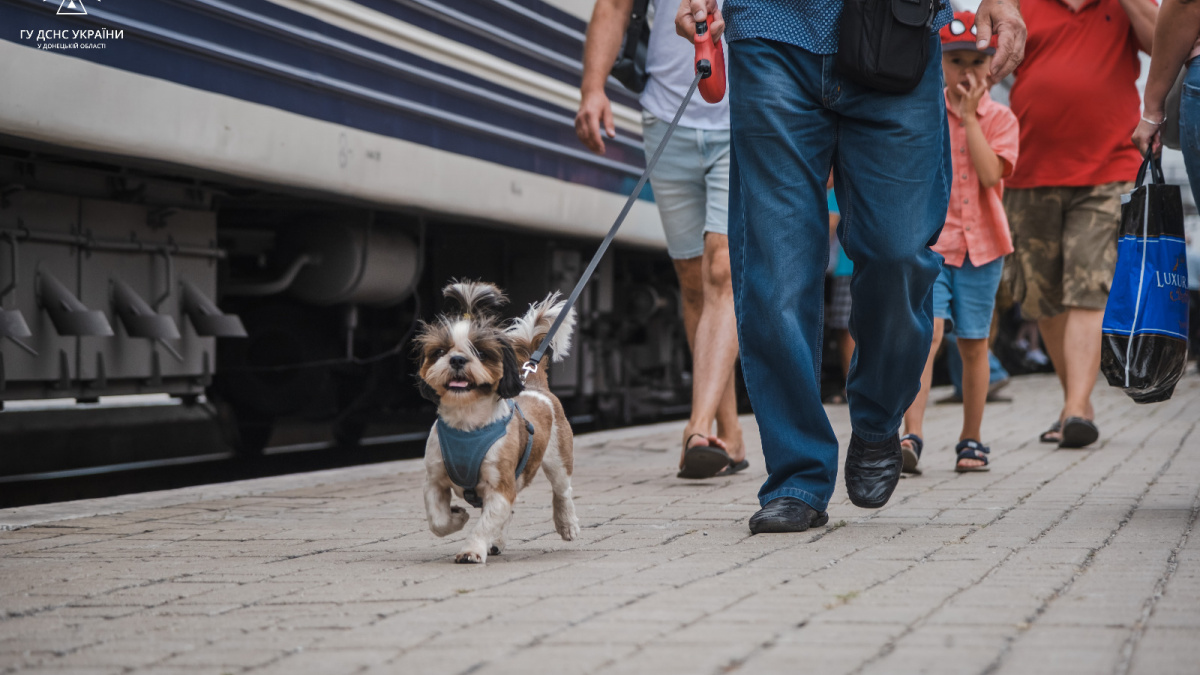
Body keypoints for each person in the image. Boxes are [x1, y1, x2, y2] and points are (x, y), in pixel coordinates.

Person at [675, 0, 1027, 532]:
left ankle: (880, 416)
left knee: (899, 254)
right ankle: (797, 475)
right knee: (775, 270)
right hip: (771, 31)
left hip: (897, 27)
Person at [577, 0, 747, 478]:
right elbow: (613, 5)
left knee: (722, 268)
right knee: (694, 283)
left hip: (741, 117)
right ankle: (729, 433)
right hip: (666, 118)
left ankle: (695, 430)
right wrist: (593, 88)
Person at [1005, 0, 1156, 449]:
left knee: (1089, 286)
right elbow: (988, 59)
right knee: (1042, 297)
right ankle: (1077, 402)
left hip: (1108, 169)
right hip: (1030, 171)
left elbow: (1160, 41)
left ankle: (1074, 407)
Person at [900, 11, 1021, 475]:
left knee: (974, 344)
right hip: (935, 244)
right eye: (956, 62)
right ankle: (912, 434)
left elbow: (991, 175)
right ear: (940, 64)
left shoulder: (1001, 118)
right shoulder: (924, 112)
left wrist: (970, 117)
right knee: (926, 336)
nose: (967, 72)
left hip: (984, 248)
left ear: (990, 65)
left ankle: (971, 438)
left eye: (976, 61)